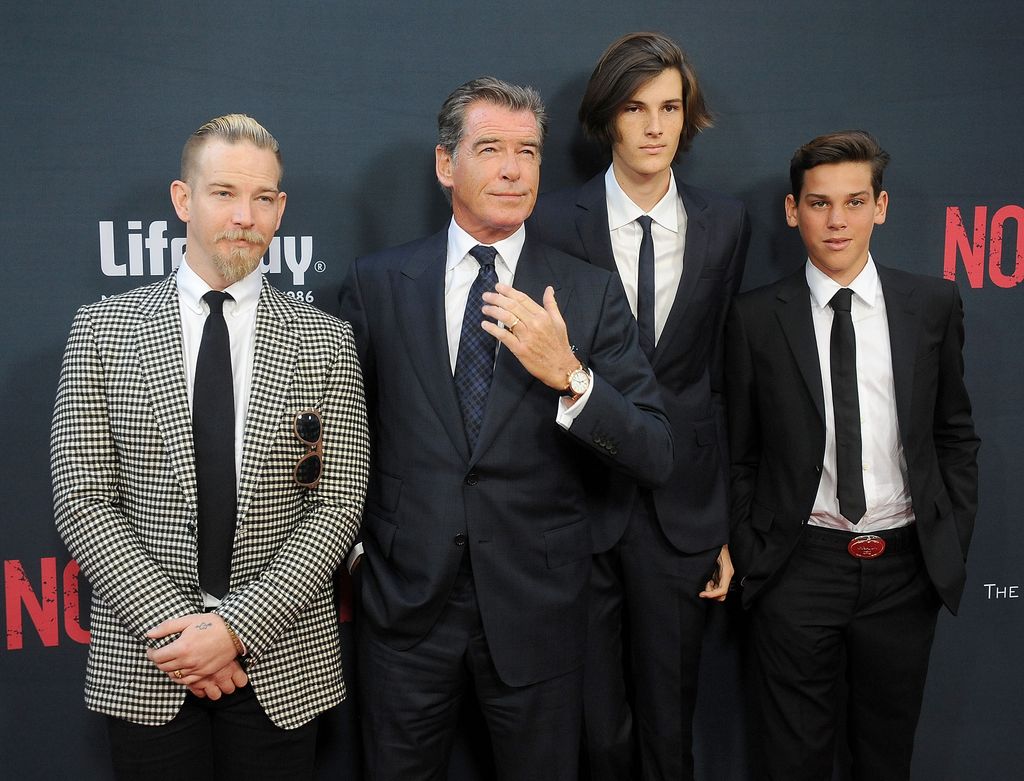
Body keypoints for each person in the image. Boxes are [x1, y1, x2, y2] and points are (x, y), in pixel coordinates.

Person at [338, 77, 673, 781]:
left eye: (528, 151)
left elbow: (654, 449)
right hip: (405, 610)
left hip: (539, 610)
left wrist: (572, 377)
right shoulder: (377, 282)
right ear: (444, 164)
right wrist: (363, 553)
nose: (514, 170)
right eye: (490, 149)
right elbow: (348, 436)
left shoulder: (588, 291)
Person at [51, 114, 370, 779]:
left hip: (282, 660)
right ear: (182, 199)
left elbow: (338, 504)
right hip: (149, 661)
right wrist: (180, 632)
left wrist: (235, 629)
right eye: (223, 192)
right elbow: (82, 499)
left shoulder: (326, 340)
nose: (244, 215)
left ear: (280, 209)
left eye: (262, 198)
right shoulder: (103, 331)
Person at [529, 31, 750, 780]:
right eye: (635, 107)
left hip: (678, 512)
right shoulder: (553, 221)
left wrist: (719, 522)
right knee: (595, 736)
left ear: (688, 120)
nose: (655, 126)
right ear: (606, 119)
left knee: (668, 732)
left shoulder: (725, 224)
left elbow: (716, 378)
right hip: (575, 506)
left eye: (670, 107)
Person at [725, 130, 979, 780]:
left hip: (903, 569)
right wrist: (755, 554)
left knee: (885, 759)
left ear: (881, 206)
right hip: (797, 568)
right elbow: (738, 450)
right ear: (792, 210)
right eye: (818, 203)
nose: (837, 221)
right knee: (792, 762)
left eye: (854, 201)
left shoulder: (932, 305)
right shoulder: (755, 319)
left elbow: (954, 433)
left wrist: (945, 542)